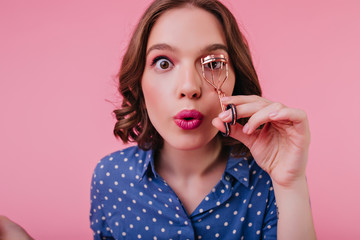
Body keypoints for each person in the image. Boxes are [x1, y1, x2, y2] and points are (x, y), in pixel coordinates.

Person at [90, 0, 317, 239]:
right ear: (139, 83)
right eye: (163, 63)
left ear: (235, 81)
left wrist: (291, 185)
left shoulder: (269, 178)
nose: (189, 87)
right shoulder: (111, 178)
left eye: (213, 64)